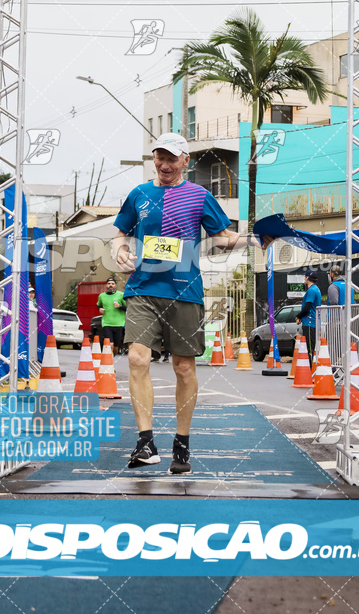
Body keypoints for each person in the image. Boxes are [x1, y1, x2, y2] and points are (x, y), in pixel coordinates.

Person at [113, 133, 265, 475]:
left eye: (171, 158)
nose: (164, 165)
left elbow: (223, 238)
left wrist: (255, 237)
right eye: (159, 157)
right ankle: (145, 441)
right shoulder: (139, 194)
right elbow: (120, 232)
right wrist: (120, 250)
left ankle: (181, 444)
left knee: (184, 368)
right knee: (137, 357)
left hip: (185, 292)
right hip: (142, 289)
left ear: (186, 161)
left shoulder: (200, 196)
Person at [295, 269, 322, 367]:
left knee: (309, 348)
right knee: (311, 347)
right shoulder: (316, 289)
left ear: (307, 278)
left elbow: (307, 307)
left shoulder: (311, 291)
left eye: (305, 277)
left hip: (310, 323)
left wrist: (298, 316)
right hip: (313, 322)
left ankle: (311, 371)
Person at [97, 277, 126, 355]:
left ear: (115, 285)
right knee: (110, 344)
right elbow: (98, 305)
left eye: (112, 284)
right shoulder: (102, 296)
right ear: (106, 285)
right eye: (109, 284)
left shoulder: (121, 295)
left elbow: (128, 308)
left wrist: (120, 306)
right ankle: (110, 364)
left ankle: (111, 360)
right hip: (106, 323)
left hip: (118, 323)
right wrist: (100, 309)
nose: (111, 285)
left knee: (116, 347)